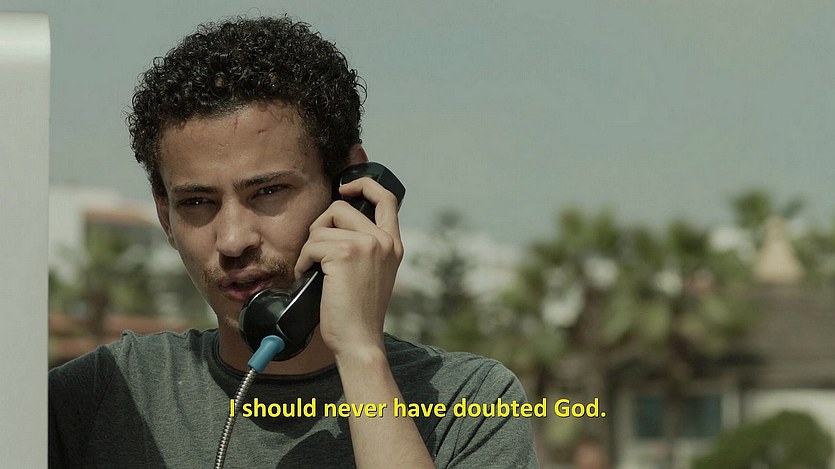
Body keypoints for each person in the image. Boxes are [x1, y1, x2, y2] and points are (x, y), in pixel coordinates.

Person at [49, 15, 537, 468]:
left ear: (349, 189)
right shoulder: (101, 397)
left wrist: (361, 355)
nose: (233, 240)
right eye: (197, 202)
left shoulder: (470, 404)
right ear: (164, 215)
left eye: (268, 192)